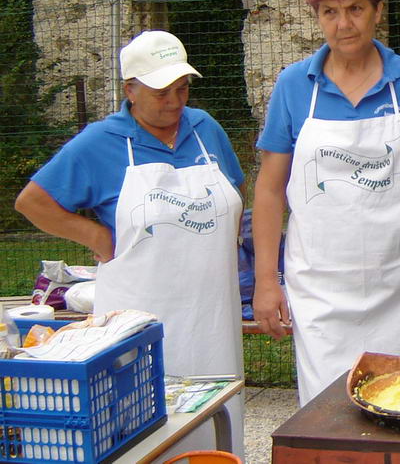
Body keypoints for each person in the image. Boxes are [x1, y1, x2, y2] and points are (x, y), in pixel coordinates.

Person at [15, 30, 246, 458]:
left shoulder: (205, 129)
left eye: (182, 88)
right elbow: (33, 202)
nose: (174, 102)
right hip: (140, 317)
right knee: (144, 431)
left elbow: (235, 188)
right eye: (161, 92)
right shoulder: (100, 142)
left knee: (216, 420)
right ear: (130, 90)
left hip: (212, 315)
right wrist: (94, 235)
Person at [252, 0, 400, 405]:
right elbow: (269, 190)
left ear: (377, 10)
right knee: (327, 411)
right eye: (330, 12)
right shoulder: (294, 86)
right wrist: (266, 280)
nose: (344, 24)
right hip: (321, 287)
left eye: (356, 8)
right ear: (316, 16)